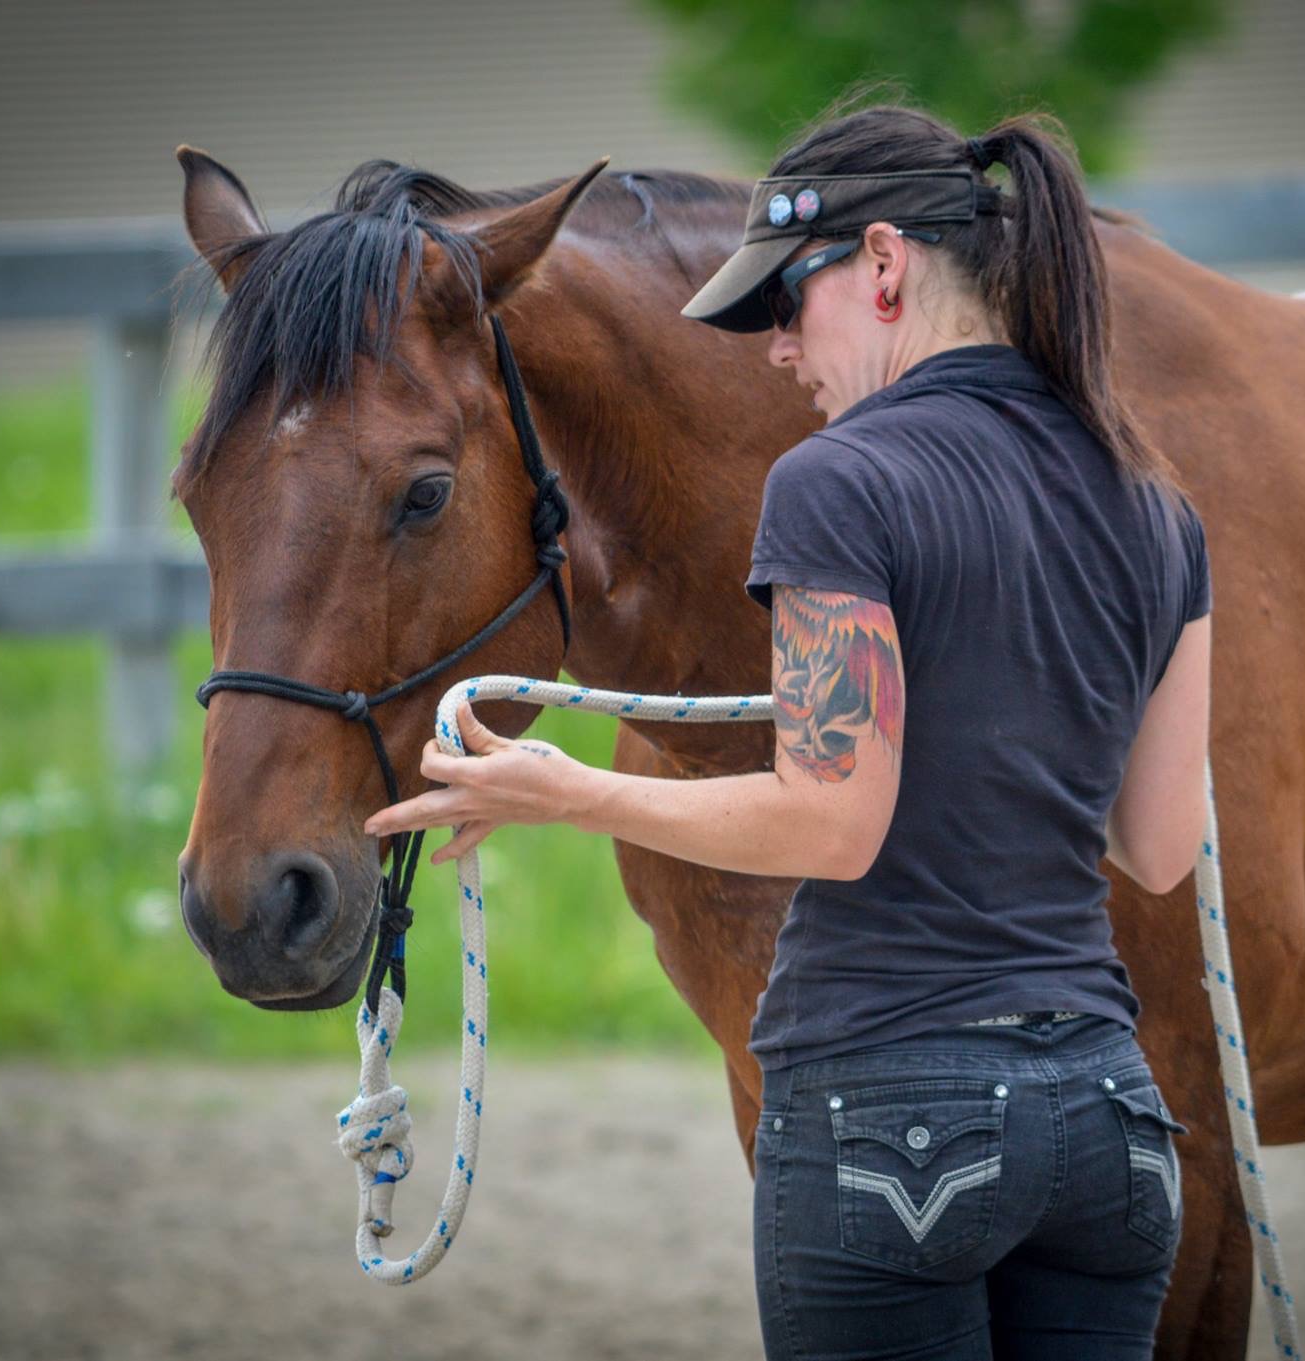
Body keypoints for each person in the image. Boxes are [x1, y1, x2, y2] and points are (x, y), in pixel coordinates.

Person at [365, 103, 1212, 1361]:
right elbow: (1159, 845)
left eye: (785, 301)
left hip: (891, 1120)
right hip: (1105, 1121)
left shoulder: (837, 482)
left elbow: (831, 818)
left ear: (883, 264)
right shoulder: (1155, 505)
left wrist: (568, 790)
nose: (773, 348)